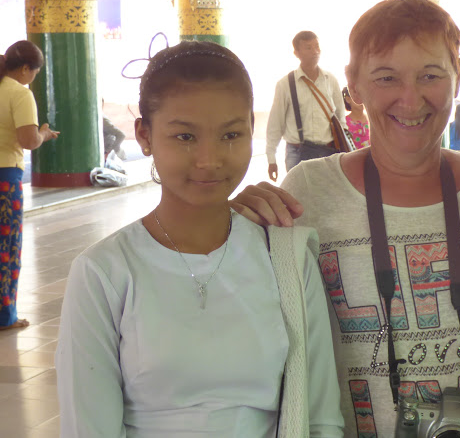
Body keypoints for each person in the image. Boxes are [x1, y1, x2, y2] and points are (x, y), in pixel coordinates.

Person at [233, 0, 460, 438]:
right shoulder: (308, 192)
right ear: (354, 84)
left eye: (431, 75)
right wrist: (231, 226)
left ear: (458, 74)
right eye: (386, 77)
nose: (410, 99)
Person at [56, 41, 344, 437]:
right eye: (185, 137)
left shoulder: (287, 260)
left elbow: (321, 418)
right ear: (144, 135)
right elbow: (88, 428)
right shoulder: (103, 272)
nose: (210, 159)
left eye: (231, 134)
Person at [0, 41, 59, 331]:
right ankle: (4, 316)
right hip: (4, 178)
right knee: (6, 247)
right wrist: (44, 135)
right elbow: (27, 140)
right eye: (35, 71)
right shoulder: (19, 94)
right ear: (26, 68)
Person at [265, 31, 346, 181]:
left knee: (327, 198)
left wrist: (343, 147)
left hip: (328, 152)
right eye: (308, 48)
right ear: (296, 53)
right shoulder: (285, 84)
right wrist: (271, 158)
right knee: (299, 199)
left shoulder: (330, 80)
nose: (315, 51)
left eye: (317, 46)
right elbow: (276, 124)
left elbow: (341, 116)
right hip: (297, 153)